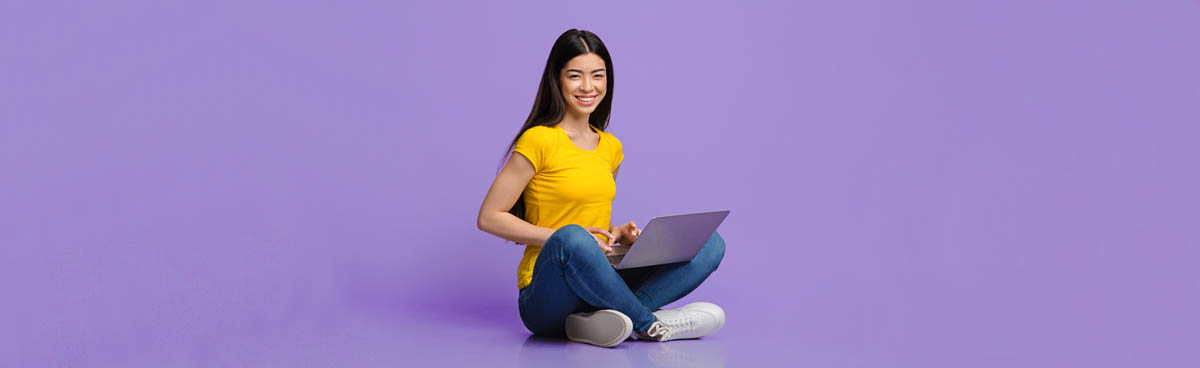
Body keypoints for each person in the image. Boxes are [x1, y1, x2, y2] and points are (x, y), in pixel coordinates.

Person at [476, 29, 726, 348]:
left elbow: (591, 213)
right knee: (571, 237)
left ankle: (609, 320)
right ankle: (651, 324)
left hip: (601, 278)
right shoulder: (538, 139)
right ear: (557, 79)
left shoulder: (610, 147)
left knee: (710, 243)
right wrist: (567, 236)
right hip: (546, 295)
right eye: (575, 76)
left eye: (598, 75)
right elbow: (489, 217)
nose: (588, 86)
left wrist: (616, 232)